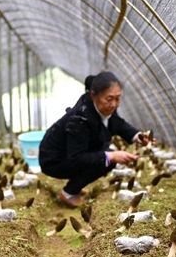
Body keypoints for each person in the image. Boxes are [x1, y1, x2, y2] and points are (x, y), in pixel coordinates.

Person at [38, 71, 153, 208]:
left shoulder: (102, 105)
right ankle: (68, 192)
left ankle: (76, 184)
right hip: (53, 161)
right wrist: (112, 156)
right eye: (109, 99)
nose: (114, 104)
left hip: (67, 154)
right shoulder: (80, 118)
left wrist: (137, 136)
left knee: (105, 154)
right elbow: (77, 158)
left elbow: (117, 122)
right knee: (106, 160)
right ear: (93, 95)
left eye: (118, 98)